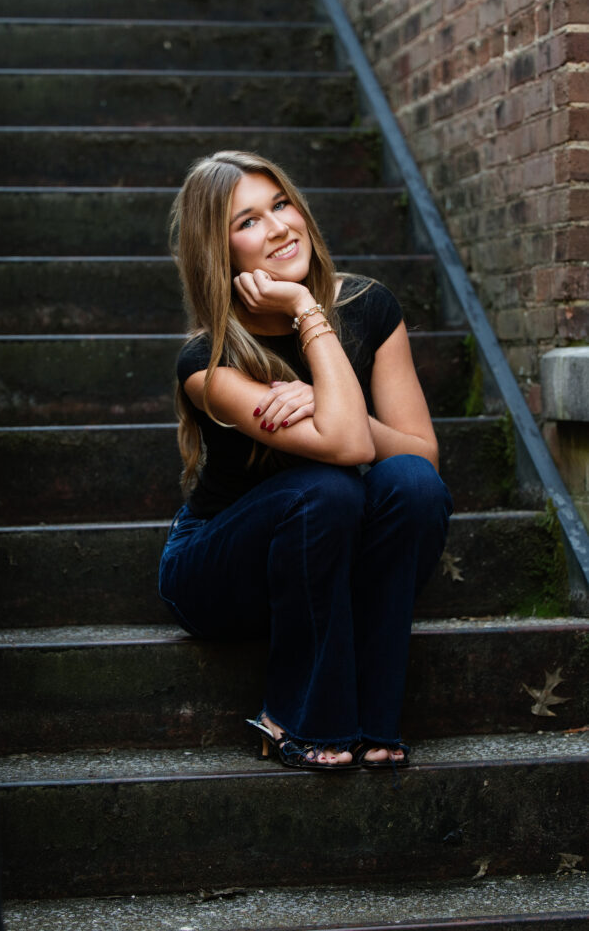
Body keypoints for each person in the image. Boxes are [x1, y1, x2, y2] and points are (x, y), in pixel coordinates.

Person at [158, 150, 453, 770]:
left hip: (323, 554)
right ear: (221, 252)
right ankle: (293, 716)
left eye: (281, 204)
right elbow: (346, 450)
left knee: (411, 484)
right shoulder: (207, 362)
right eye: (247, 222)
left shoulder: (371, 307)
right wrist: (303, 310)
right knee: (329, 486)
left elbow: (421, 453)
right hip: (219, 567)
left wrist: (321, 387)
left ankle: (375, 723)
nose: (278, 228)